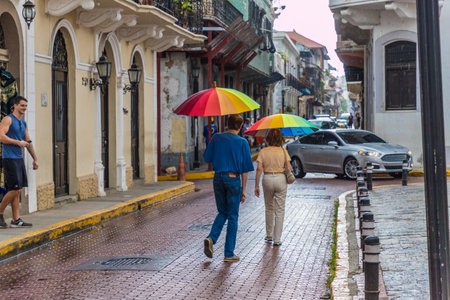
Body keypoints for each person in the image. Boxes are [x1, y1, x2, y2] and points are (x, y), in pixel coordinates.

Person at [203, 114, 254, 262]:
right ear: (240, 126)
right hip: (232, 178)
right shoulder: (242, 142)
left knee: (222, 212)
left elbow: (207, 158)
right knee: (232, 215)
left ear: (227, 124)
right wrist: (243, 191)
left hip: (218, 177)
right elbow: (245, 170)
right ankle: (229, 253)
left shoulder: (217, 138)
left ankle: (211, 238)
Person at [0, 96, 38, 228]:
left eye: (26, 106)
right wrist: (17, 142)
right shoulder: (8, 119)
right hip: (9, 158)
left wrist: (35, 158)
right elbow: (1, 136)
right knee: (14, 189)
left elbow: (28, 141)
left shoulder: (23, 123)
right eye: (22, 105)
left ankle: (16, 219)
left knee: (18, 190)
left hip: (18, 159)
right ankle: (0, 213)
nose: (24, 108)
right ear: (15, 106)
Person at [254, 129, 292, 246]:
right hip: (280, 179)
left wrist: (256, 185)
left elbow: (259, 169)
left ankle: (269, 235)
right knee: (280, 209)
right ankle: (277, 239)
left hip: (267, 179)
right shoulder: (283, 151)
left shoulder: (263, 151)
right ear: (281, 139)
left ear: (268, 139)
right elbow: (289, 168)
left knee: (269, 207)